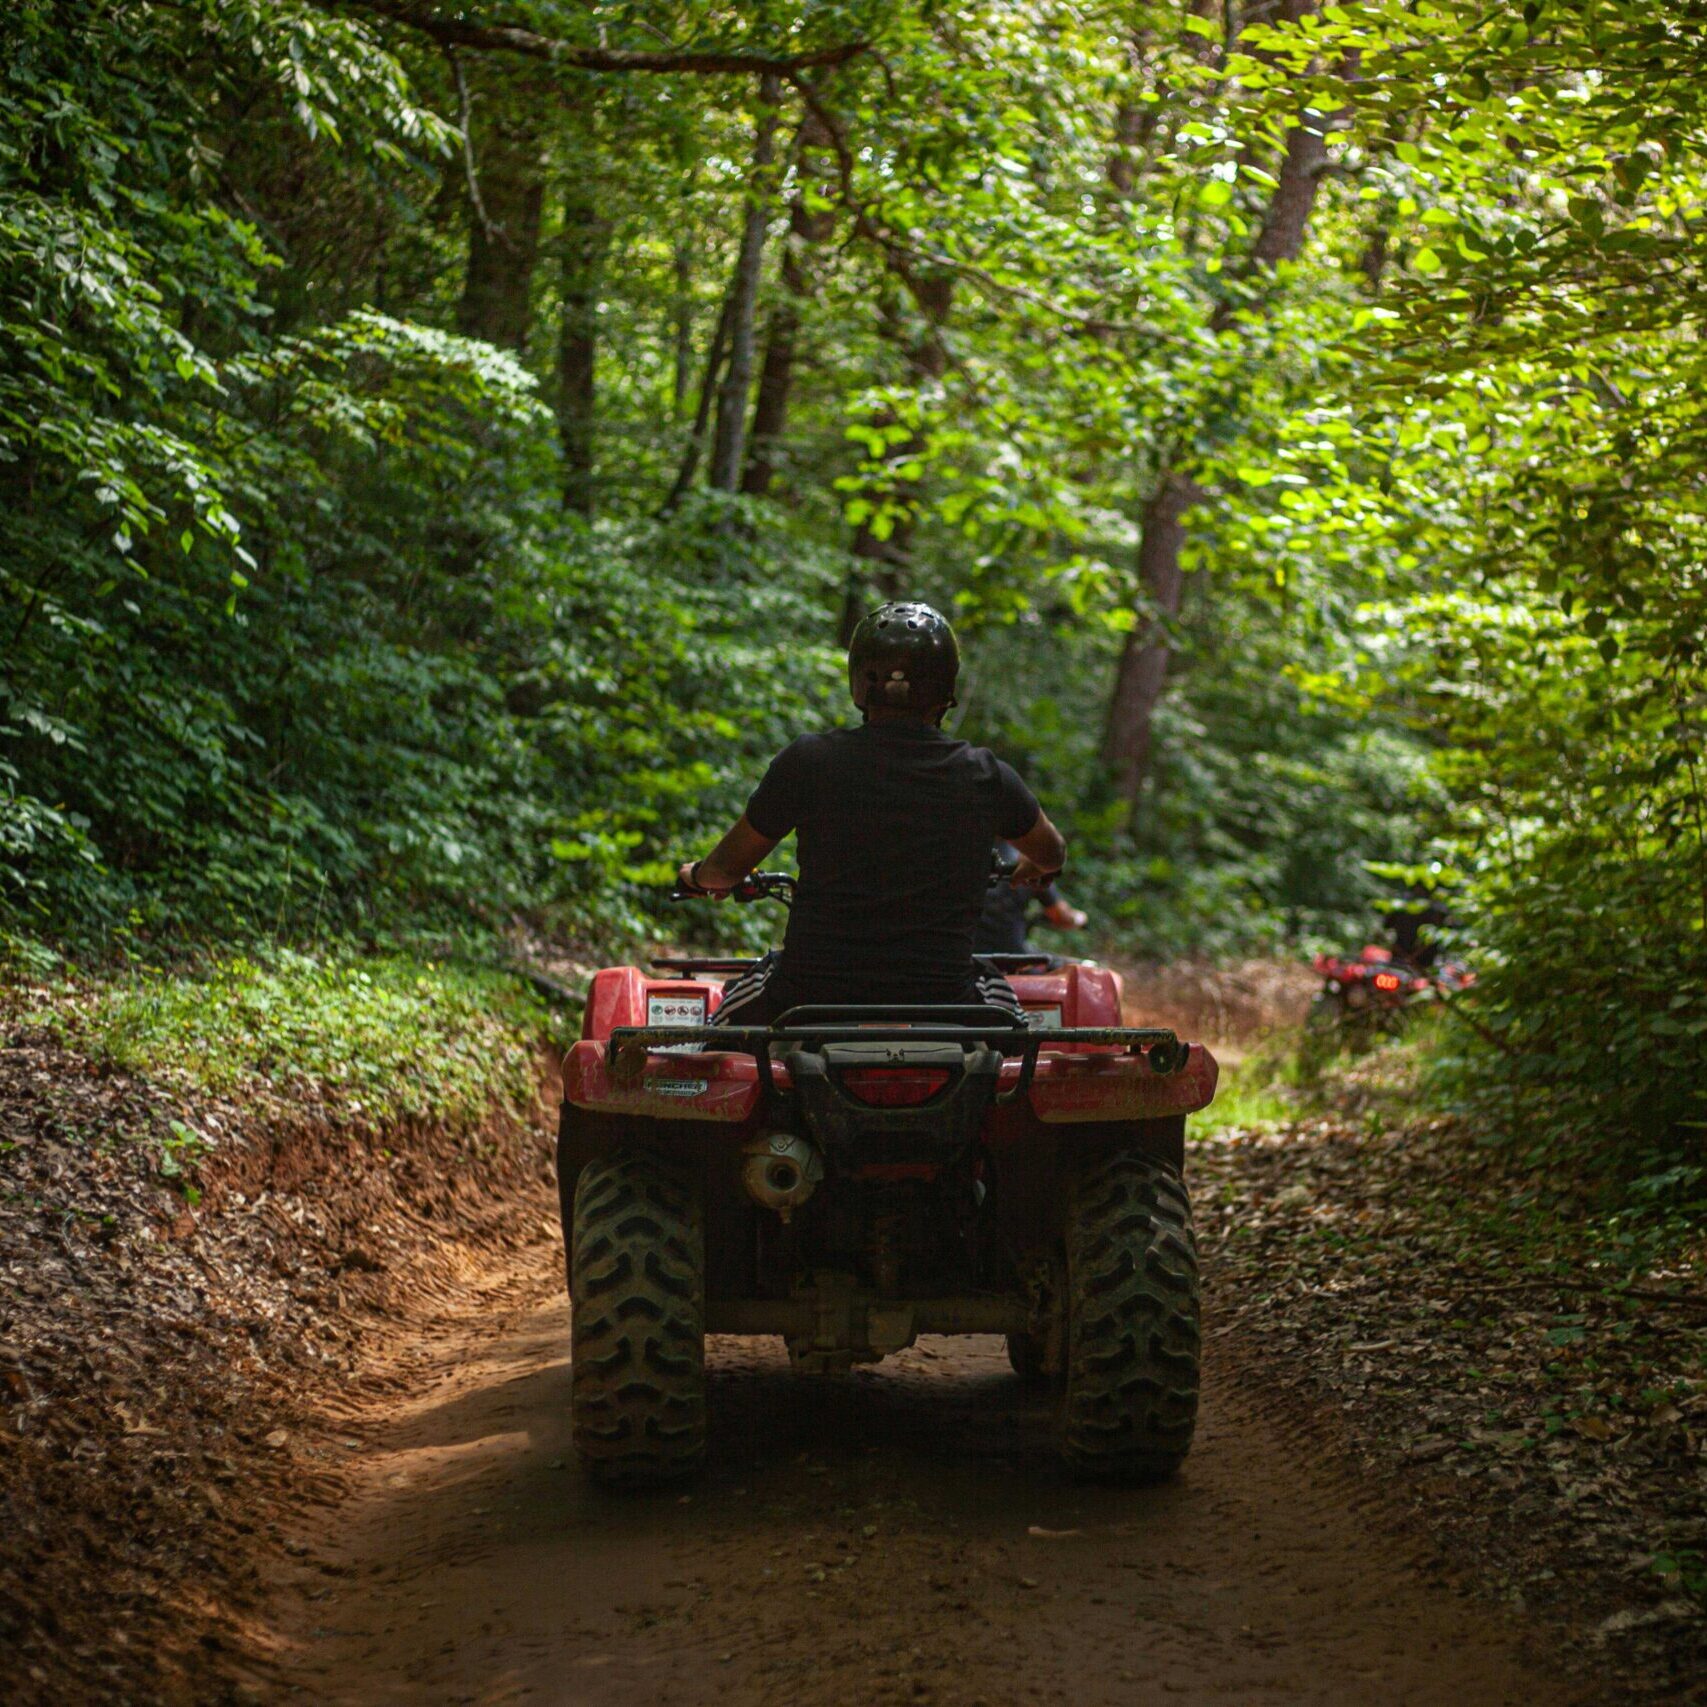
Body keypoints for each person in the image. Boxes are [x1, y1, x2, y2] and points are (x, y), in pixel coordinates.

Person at [676, 601, 1068, 1026]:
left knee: (713, 1034)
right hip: (944, 1004)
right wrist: (1030, 867)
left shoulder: (810, 761)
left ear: (860, 681)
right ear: (945, 687)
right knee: (1016, 1031)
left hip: (807, 1002)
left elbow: (725, 870)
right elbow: (1052, 852)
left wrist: (696, 876)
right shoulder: (986, 775)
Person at [974, 839, 1088, 956]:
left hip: (965, 952)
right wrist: (1079, 918)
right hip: (1010, 954)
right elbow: (1060, 916)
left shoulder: (964, 854)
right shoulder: (1026, 861)